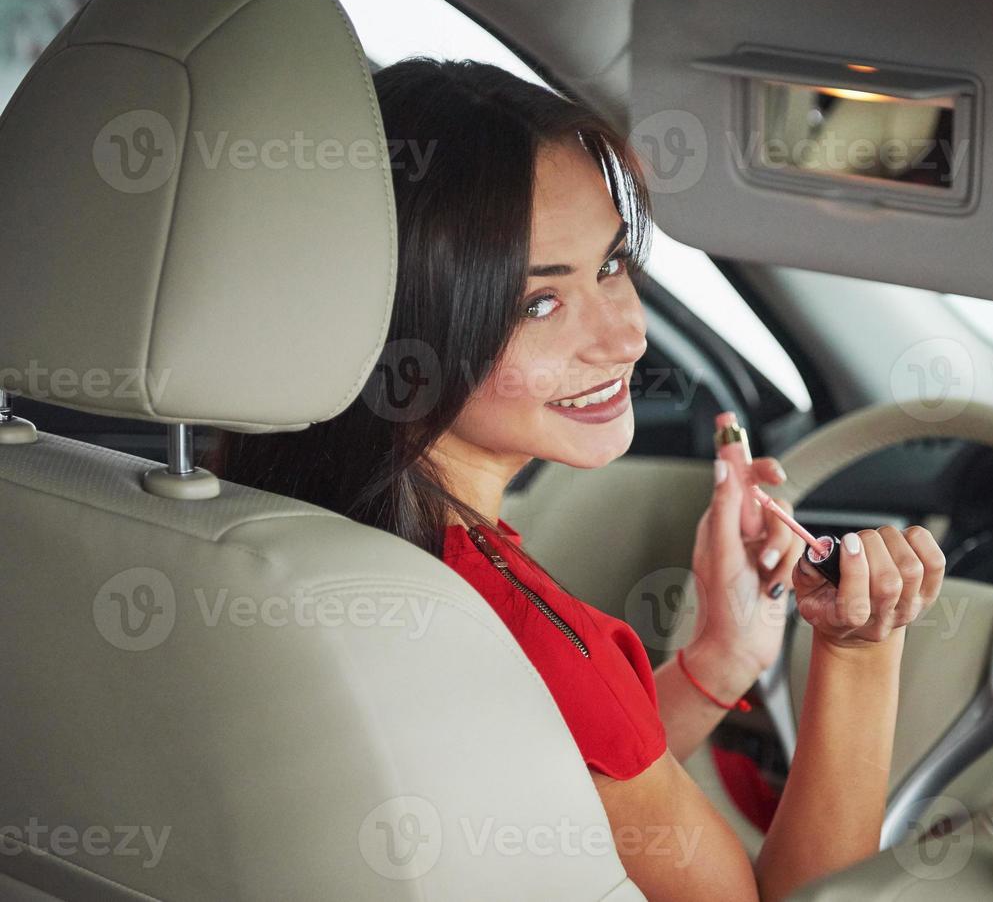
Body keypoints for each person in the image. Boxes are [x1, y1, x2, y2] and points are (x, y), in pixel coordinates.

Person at [209, 57, 946, 901]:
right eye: (538, 304)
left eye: (610, 265)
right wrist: (858, 647)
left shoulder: (256, 520)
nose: (625, 337)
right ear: (401, 326)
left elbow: (557, 785)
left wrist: (719, 654)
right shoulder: (505, 617)